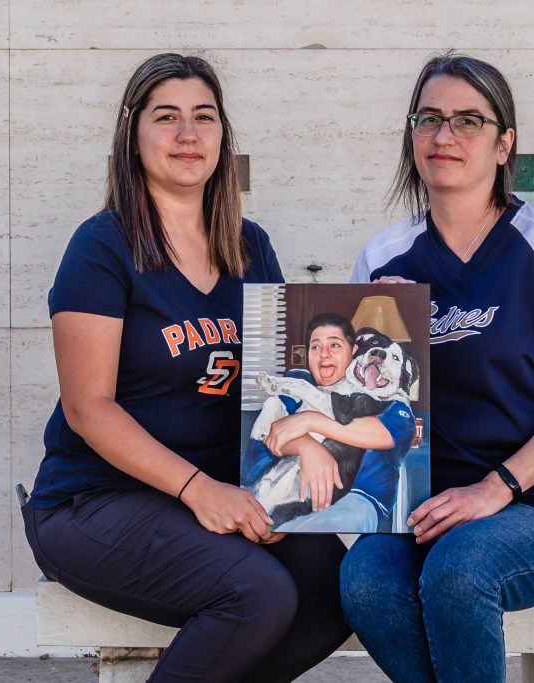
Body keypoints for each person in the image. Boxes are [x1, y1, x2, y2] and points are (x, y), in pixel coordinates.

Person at [20, 54, 350, 683]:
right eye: (165, 117)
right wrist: (202, 491)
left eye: (204, 117)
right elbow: (90, 409)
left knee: (340, 590)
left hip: (226, 492)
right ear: (133, 135)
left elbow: (282, 386)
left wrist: (373, 326)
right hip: (94, 502)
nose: (187, 134)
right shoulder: (102, 247)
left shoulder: (250, 246)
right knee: (258, 594)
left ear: (223, 136)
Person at [340, 51, 534, 682]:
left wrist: (492, 489)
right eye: (429, 119)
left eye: (468, 121)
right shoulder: (383, 258)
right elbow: (366, 420)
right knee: (363, 577)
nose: (444, 136)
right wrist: (374, 341)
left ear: (504, 144)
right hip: (425, 509)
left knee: (458, 569)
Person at [241, 313, 416, 532]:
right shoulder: (297, 381)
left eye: (334, 345)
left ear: (353, 353)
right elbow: (270, 432)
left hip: (356, 500)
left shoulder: (389, 401)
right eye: (315, 347)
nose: (324, 354)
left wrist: (309, 421)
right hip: (273, 489)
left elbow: (383, 433)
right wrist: (308, 447)